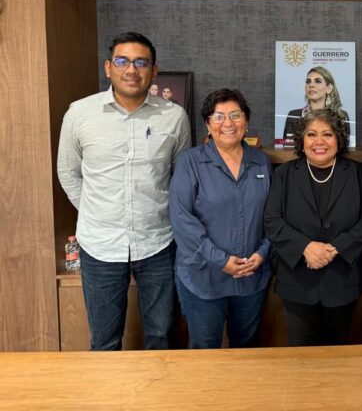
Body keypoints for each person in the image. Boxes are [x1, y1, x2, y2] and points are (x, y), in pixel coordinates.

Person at [57, 31, 191, 350]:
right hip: (100, 245)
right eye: (122, 61)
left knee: (161, 336)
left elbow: (181, 177)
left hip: (158, 242)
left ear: (154, 71)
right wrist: (95, 211)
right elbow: (68, 172)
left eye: (141, 62)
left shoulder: (174, 117)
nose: (132, 70)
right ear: (108, 68)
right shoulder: (79, 113)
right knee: (104, 342)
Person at [265, 109, 362, 346]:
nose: (319, 141)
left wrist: (335, 248)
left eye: (327, 134)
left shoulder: (358, 173)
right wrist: (305, 247)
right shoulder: (284, 174)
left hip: (343, 280)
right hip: (296, 281)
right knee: (301, 356)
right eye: (311, 134)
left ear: (339, 139)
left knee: (338, 355)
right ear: (301, 140)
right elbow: (272, 220)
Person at [169, 89, 271, 349]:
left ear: (246, 121)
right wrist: (221, 260)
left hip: (251, 277)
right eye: (219, 117)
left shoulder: (261, 161)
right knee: (205, 352)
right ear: (207, 124)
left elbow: (274, 215)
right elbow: (182, 220)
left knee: (246, 350)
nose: (228, 123)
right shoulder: (190, 162)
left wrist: (263, 253)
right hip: (203, 278)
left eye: (236, 115)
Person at [282, 66, 350, 144]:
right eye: (308, 81)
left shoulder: (341, 116)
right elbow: (289, 147)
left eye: (317, 81)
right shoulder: (294, 115)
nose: (311, 85)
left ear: (329, 88)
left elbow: (343, 147)